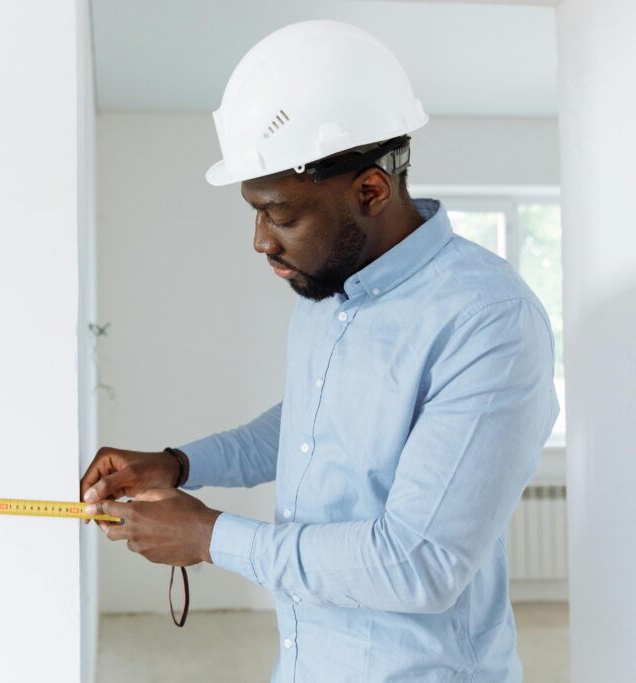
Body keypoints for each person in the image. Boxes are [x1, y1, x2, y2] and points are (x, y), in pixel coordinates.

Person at [79, 20, 559, 682]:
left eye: (279, 214)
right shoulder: (327, 291)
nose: (260, 241)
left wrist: (209, 536)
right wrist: (180, 463)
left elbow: (418, 562)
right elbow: (305, 424)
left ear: (368, 191)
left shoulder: (488, 321)